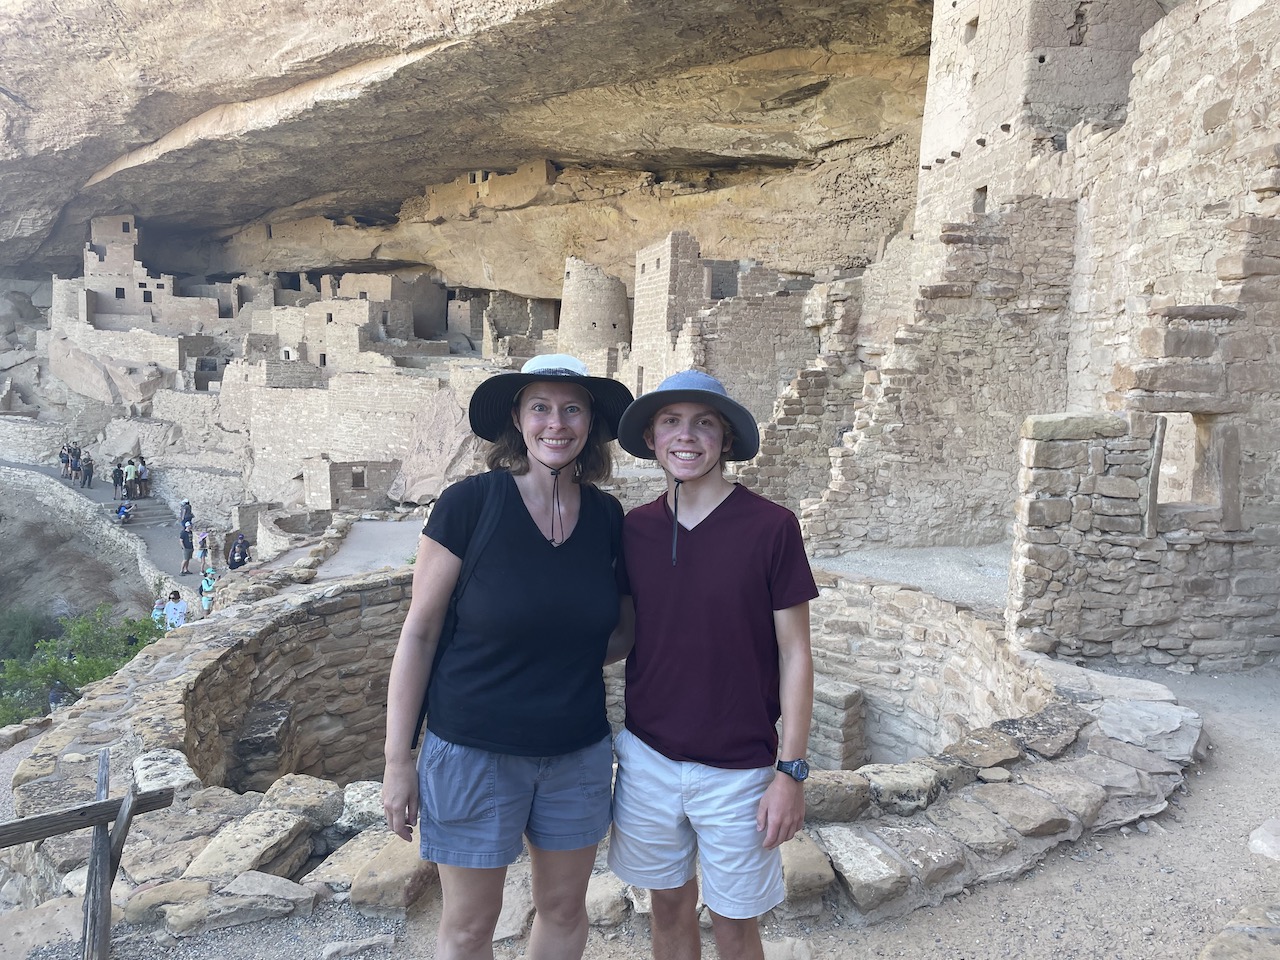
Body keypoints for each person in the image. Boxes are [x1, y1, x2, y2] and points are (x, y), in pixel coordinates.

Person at [381, 354, 633, 960]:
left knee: (566, 909)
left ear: (590, 424)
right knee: (470, 926)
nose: (557, 423)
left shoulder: (606, 517)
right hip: (473, 748)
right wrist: (397, 759)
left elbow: (622, 634)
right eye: (540, 407)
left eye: (573, 408)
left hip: (575, 750)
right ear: (517, 421)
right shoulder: (470, 504)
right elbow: (419, 633)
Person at [607, 370, 818, 960]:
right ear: (651, 438)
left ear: (726, 440)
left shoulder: (771, 526)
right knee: (668, 909)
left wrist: (791, 771)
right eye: (671, 421)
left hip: (740, 767)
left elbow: (795, 651)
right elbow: (624, 633)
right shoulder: (637, 528)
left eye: (704, 423)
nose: (687, 436)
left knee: (734, 923)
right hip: (649, 756)